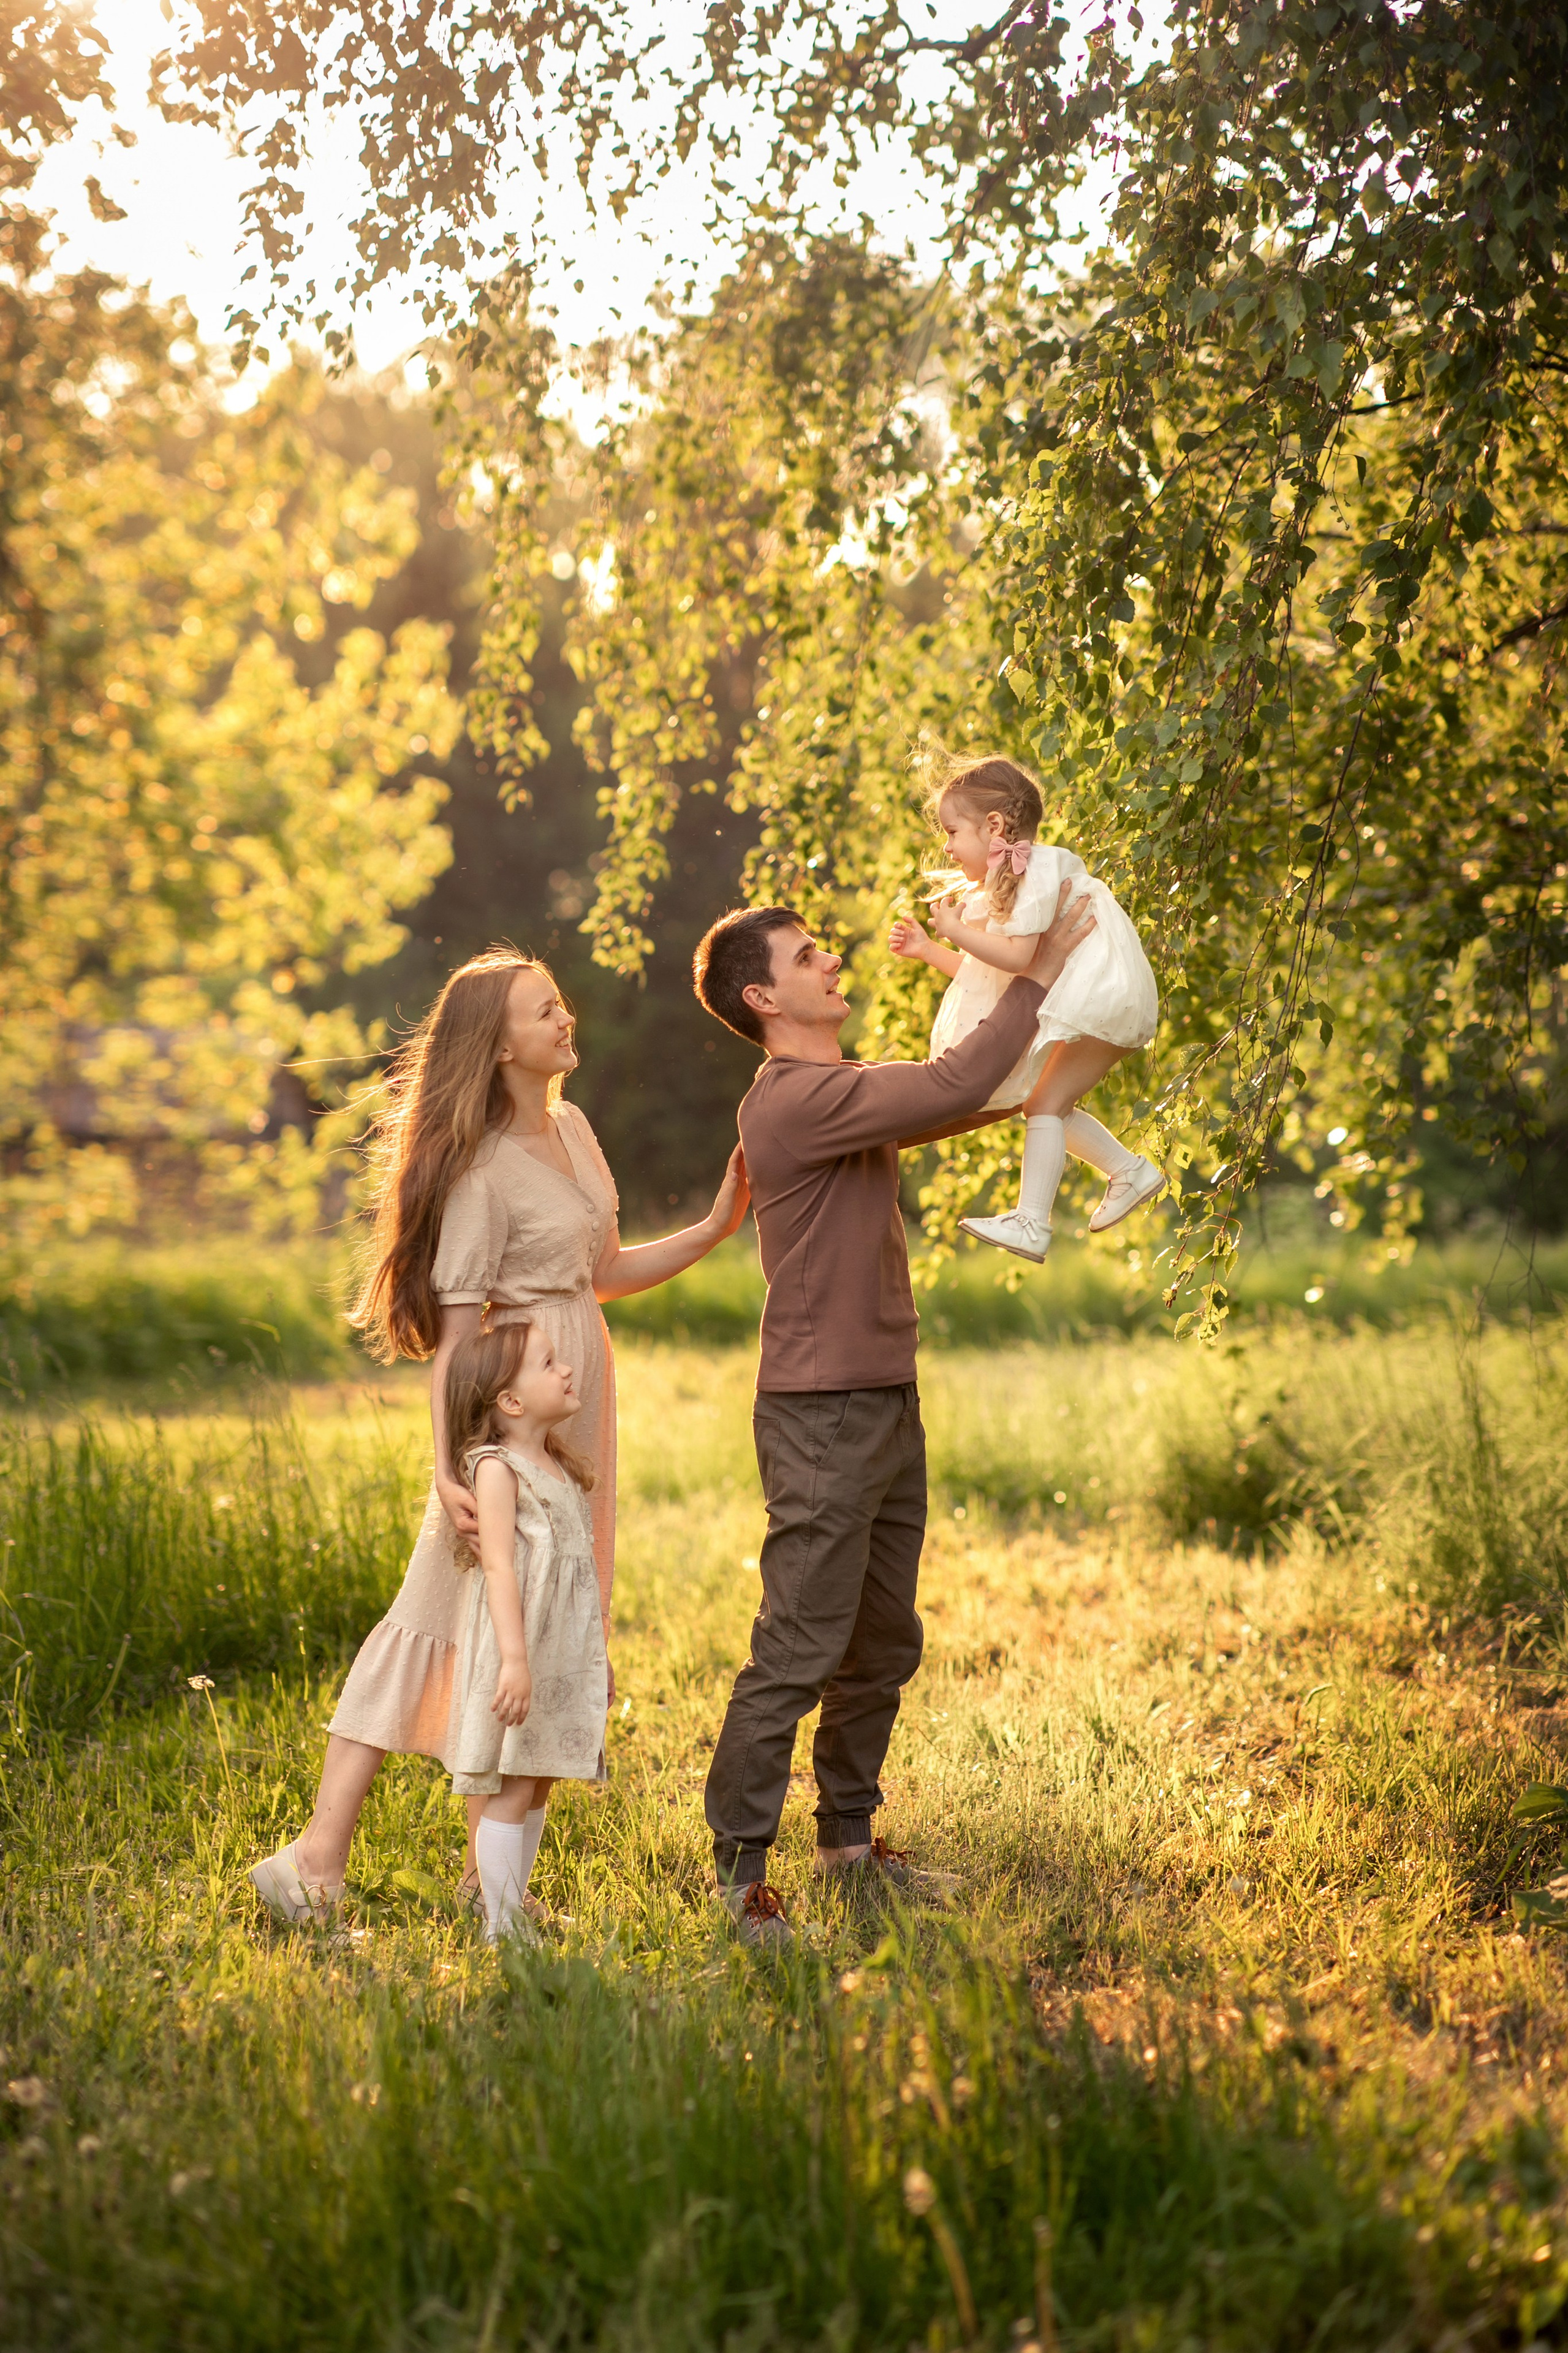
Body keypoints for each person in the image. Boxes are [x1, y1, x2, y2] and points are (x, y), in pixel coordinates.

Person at [249, 947, 748, 1925]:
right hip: (504, 1423)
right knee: (432, 1618)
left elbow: (597, 1270)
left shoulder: (573, 1127)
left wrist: (716, 1224)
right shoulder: (479, 1168)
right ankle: (313, 1859)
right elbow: (458, 1332)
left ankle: (493, 1887)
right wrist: (453, 1468)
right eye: (543, 1010)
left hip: (575, 1404)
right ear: (499, 1042)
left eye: (560, 1005)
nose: (566, 1020)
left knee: (561, 1619)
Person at [690, 881, 1096, 1945]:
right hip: (819, 1412)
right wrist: (1037, 965)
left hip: (880, 1395)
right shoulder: (788, 1099)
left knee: (880, 1637)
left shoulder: (842, 1086)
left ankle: (847, 1842)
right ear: (761, 995)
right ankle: (737, 1875)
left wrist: (1051, 1073)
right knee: (797, 1642)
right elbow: (957, 1073)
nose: (831, 961)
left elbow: (960, 1093)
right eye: (807, 953)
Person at [889, 749, 1162, 1262]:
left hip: (1101, 994)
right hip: (1094, 996)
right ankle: (1129, 1172)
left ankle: (1034, 1220)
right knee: (1042, 1103)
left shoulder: (1034, 867)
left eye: (951, 831)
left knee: (1040, 1105)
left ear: (993, 826)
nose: (945, 847)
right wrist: (931, 950)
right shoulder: (1011, 883)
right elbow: (990, 973)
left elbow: (1016, 958)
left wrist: (954, 930)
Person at [444, 1318, 606, 1944]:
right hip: (524, 1649)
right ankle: (500, 1923)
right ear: (510, 1402)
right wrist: (514, 1658)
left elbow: (577, 1578)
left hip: (559, 1650)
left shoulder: (555, 1463)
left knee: (538, 1778)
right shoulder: (497, 1467)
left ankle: (512, 1902)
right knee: (513, 1784)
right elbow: (498, 1565)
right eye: (548, 1363)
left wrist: (596, 1659)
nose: (565, 1370)